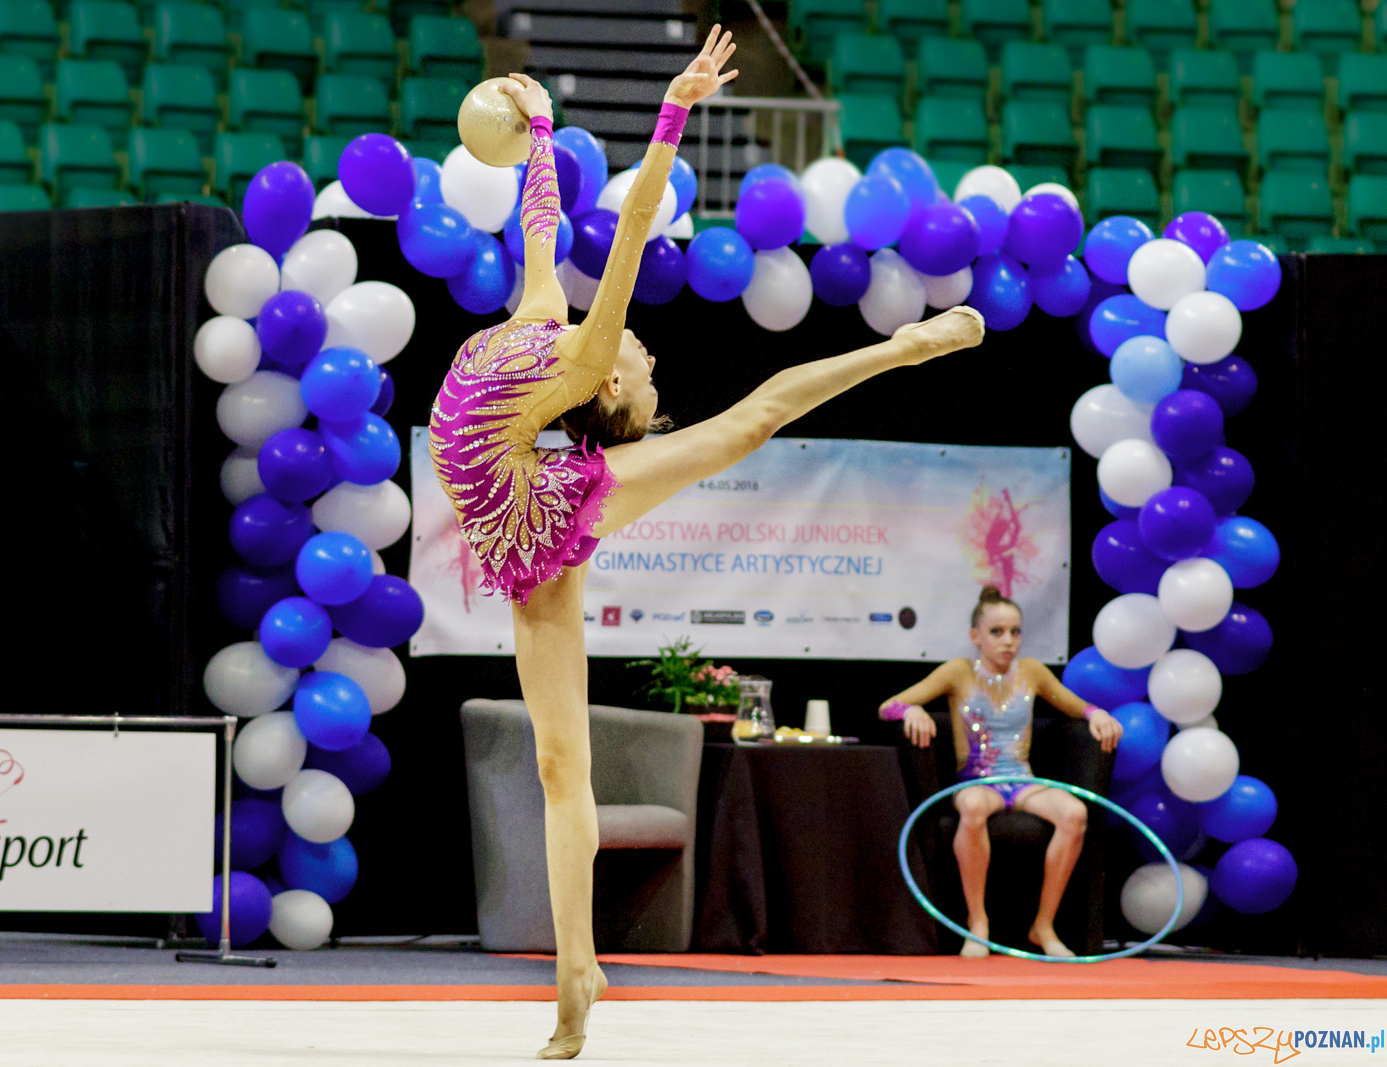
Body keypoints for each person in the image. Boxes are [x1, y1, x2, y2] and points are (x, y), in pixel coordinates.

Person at [430, 28, 986, 1058]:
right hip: (513, 507)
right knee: (558, 760)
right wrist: (541, 129)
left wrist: (673, 115)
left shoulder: (581, 357)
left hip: (529, 505)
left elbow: (633, 227)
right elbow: (547, 223)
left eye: (641, 374)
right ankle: (579, 968)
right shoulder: (553, 323)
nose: (646, 360)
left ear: (605, 387)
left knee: (562, 758)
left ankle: (573, 974)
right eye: (649, 373)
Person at [877, 586, 1124, 958]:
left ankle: (1043, 926)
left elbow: (1074, 705)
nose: (1008, 641)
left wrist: (1097, 714)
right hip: (977, 781)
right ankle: (978, 924)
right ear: (976, 636)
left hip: (1022, 781)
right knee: (973, 807)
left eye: (1015, 632)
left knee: (1075, 814)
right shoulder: (958, 672)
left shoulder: (1032, 671)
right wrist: (910, 710)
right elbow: (887, 706)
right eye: (997, 632)